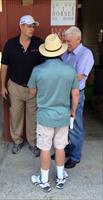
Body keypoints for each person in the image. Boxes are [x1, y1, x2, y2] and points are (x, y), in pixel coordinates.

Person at [28, 34, 79, 192]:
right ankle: (60, 177)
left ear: (45, 52)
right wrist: (73, 112)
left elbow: (31, 93)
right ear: (60, 51)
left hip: (45, 117)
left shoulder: (38, 70)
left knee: (44, 148)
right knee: (60, 147)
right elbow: (76, 94)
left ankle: (43, 181)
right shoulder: (70, 70)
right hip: (62, 116)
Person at [0, 15, 44, 156]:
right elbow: (4, 66)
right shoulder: (10, 44)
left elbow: (46, 64)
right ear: (21, 26)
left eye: (33, 26)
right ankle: (17, 141)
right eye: (29, 26)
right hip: (15, 86)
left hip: (33, 89)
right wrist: (2, 86)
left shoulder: (39, 43)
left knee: (33, 117)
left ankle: (33, 143)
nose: (32, 29)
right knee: (15, 116)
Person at [61, 26, 94, 168]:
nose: (66, 43)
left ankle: (75, 156)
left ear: (78, 39)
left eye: (69, 41)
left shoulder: (86, 54)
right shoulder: (66, 53)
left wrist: (58, 76)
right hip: (64, 93)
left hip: (76, 95)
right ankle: (68, 149)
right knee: (66, 125)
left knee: (75, 125)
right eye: (65, 40)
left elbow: (80, 76)